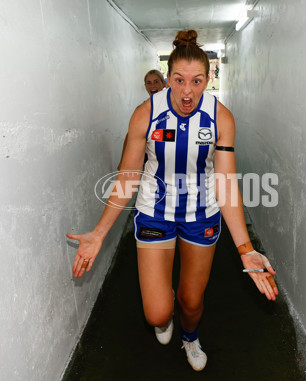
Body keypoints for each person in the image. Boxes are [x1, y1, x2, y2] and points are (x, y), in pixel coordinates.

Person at [67, 29, 278, 372]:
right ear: (167, 78)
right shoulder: (145, 113)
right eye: (179, 80)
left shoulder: (220, 116)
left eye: (197, 81)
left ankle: (190, 336)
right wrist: (100, 232)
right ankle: (165, 319)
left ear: (209, 79)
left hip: (201, 215)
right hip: (154, 213)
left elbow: (225, 182)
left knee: (192, 301)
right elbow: (127, 176)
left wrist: (245, 248)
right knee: (157, 312)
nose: (187, 92)